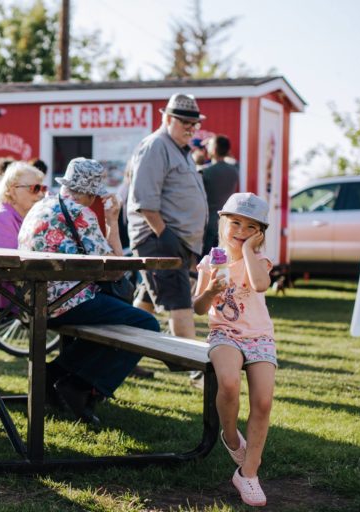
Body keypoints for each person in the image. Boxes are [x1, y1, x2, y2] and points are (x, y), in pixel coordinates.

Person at [18, 158, 160, 425]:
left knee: (114, 319)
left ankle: (53, 374)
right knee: (147, 324)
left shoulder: (39, 207)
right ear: (91, 193)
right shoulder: (81, 214)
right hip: (66, 302)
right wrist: (113, 221)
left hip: (32, 300)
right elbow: (116, 269)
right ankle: (80, 386)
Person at [192, 192, 275, 507]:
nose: (241, 230)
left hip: (259, 335)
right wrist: (210, 290)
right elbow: (199, 308)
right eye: (236, 223)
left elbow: (261, 285)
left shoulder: (259, 260)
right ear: (223, 223)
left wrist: (249, 251)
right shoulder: (211, 261)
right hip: (224, 332)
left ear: (259, 233)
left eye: (251, 226)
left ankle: (248, 472)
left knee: (263, 401)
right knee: (228, 383)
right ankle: (229, 435)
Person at [127, 93, 208, 339]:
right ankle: (190, 362)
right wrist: (165, 235)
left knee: (144, 305)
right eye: (185, 122)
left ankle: (121, 350)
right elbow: (144, 200)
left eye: (195, 124)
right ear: (169, 119)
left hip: (174, 239)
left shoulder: (181, 150)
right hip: (159, 239)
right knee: (182, 308)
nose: (191, 128)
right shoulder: (156, 145)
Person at [0, 161, 47, 310]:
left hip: (30, 289)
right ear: (12, 190)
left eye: (43, 188)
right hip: (14, 296)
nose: (41, 194)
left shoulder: (28, 216)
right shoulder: (2, 217)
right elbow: (11, 263)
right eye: (34, 188)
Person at [202, 134, 240, 256]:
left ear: (213, 150)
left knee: (206, 259)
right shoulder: (235, 170)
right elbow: (233, 160)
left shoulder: (205, 172)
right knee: (222, 260)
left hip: (209, 223)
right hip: (226, 223)